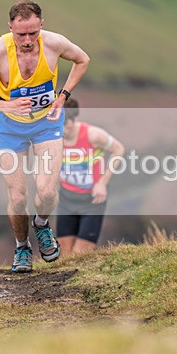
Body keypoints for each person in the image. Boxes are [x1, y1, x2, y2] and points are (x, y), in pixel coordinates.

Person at [0, 0, 90, 273]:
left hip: (47, 124)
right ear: (10, 28)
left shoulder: (55, 43)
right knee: (19, 196)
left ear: (41, 26)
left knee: (47, 191)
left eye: (33, 33)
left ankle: (42, 225)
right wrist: (6, 105)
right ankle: (22, 246)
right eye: (21, 34)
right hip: (9, 128)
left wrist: (63, 96)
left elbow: (83, 60)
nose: (27, 40)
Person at [57, 98, 125, 255]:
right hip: (66, 199)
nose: (62, 129)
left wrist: (103, 182)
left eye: (65, 124)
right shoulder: (54, 136)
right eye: (58, 124)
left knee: (80, 255)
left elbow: (118, 149)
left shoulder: (93, 135)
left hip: (92, 201)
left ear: (74, 119)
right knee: (64, 256)